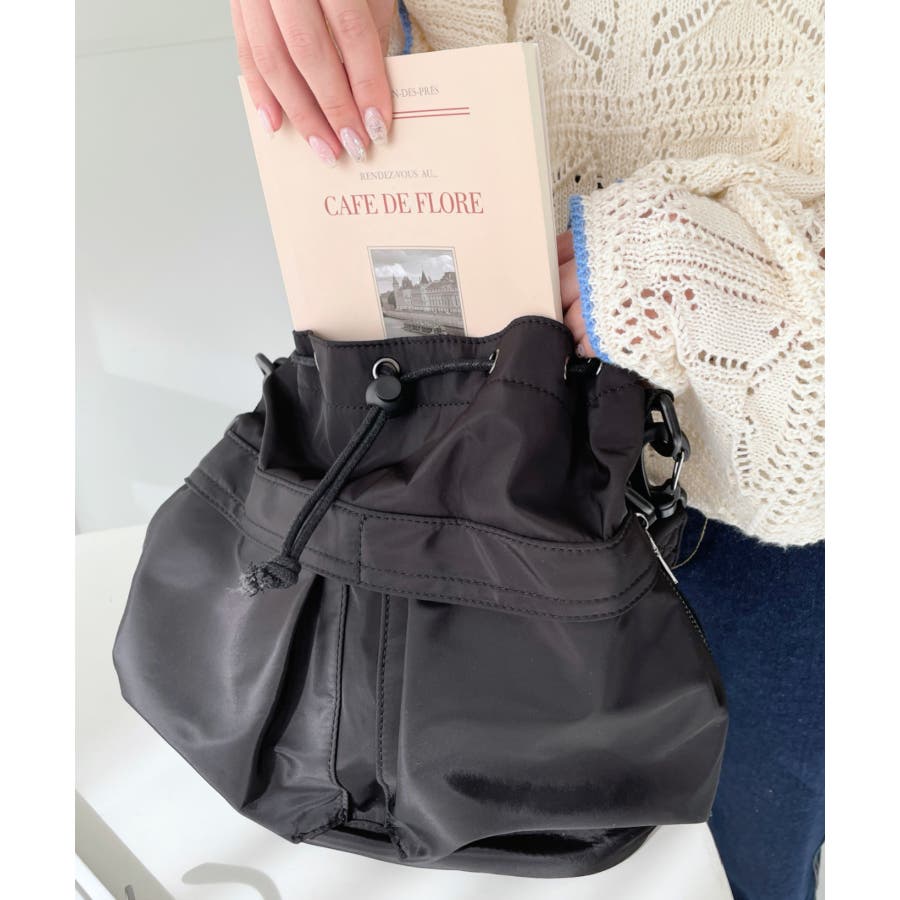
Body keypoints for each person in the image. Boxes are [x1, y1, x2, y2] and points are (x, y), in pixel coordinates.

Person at [228, 2, 825, 897]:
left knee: (751, 852)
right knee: (412, 798)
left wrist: (683, 276)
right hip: (424, 421)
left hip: (746, 474)